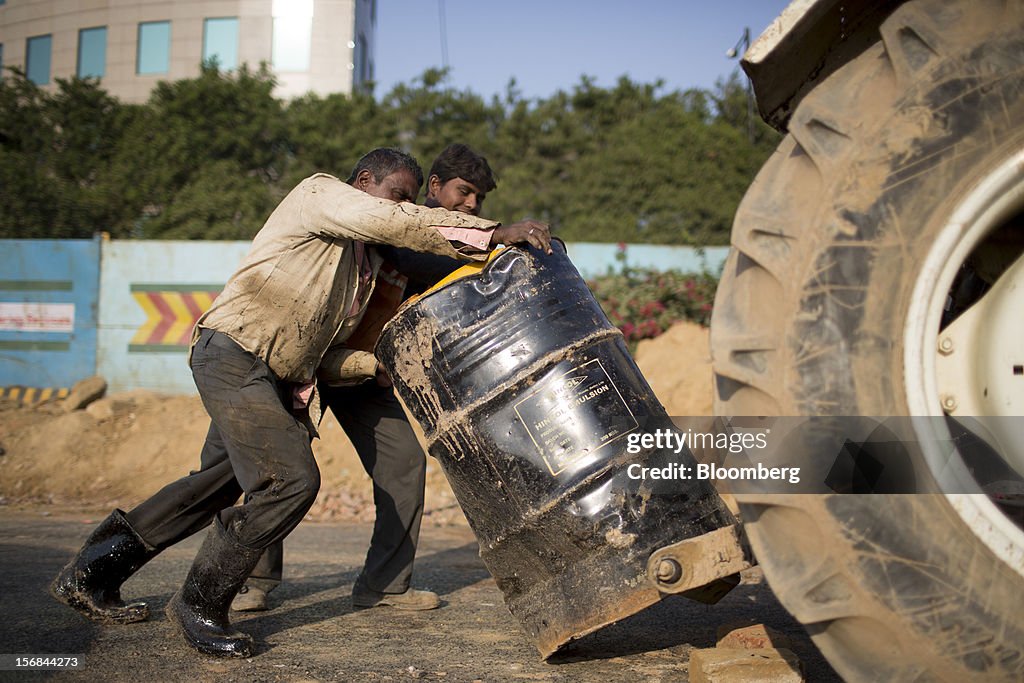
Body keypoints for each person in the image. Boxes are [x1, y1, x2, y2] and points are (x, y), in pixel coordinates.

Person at [50, 148, 551, 658]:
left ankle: (92, 571)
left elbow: (326, 354)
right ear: (363, 181)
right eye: (397, 195)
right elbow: (386, 218)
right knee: (289, 480)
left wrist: (365, 367)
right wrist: (491, 234)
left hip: (278, 378)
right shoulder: (320, 194)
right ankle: (201, 603)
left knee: (213, 488)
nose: (400, 207)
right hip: (236, 354)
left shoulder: (356, 271)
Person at [232, 143, 500, 613]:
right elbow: (417, 253)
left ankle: (385, 585)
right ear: (432, 189)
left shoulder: (438, 233)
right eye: (464, 192)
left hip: (360, 371)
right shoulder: (391, 218)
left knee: (403, 463)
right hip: (301, 364)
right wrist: (495, 246)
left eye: (480, 198)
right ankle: (252, 579)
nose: (472, 206)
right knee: (272, 472)